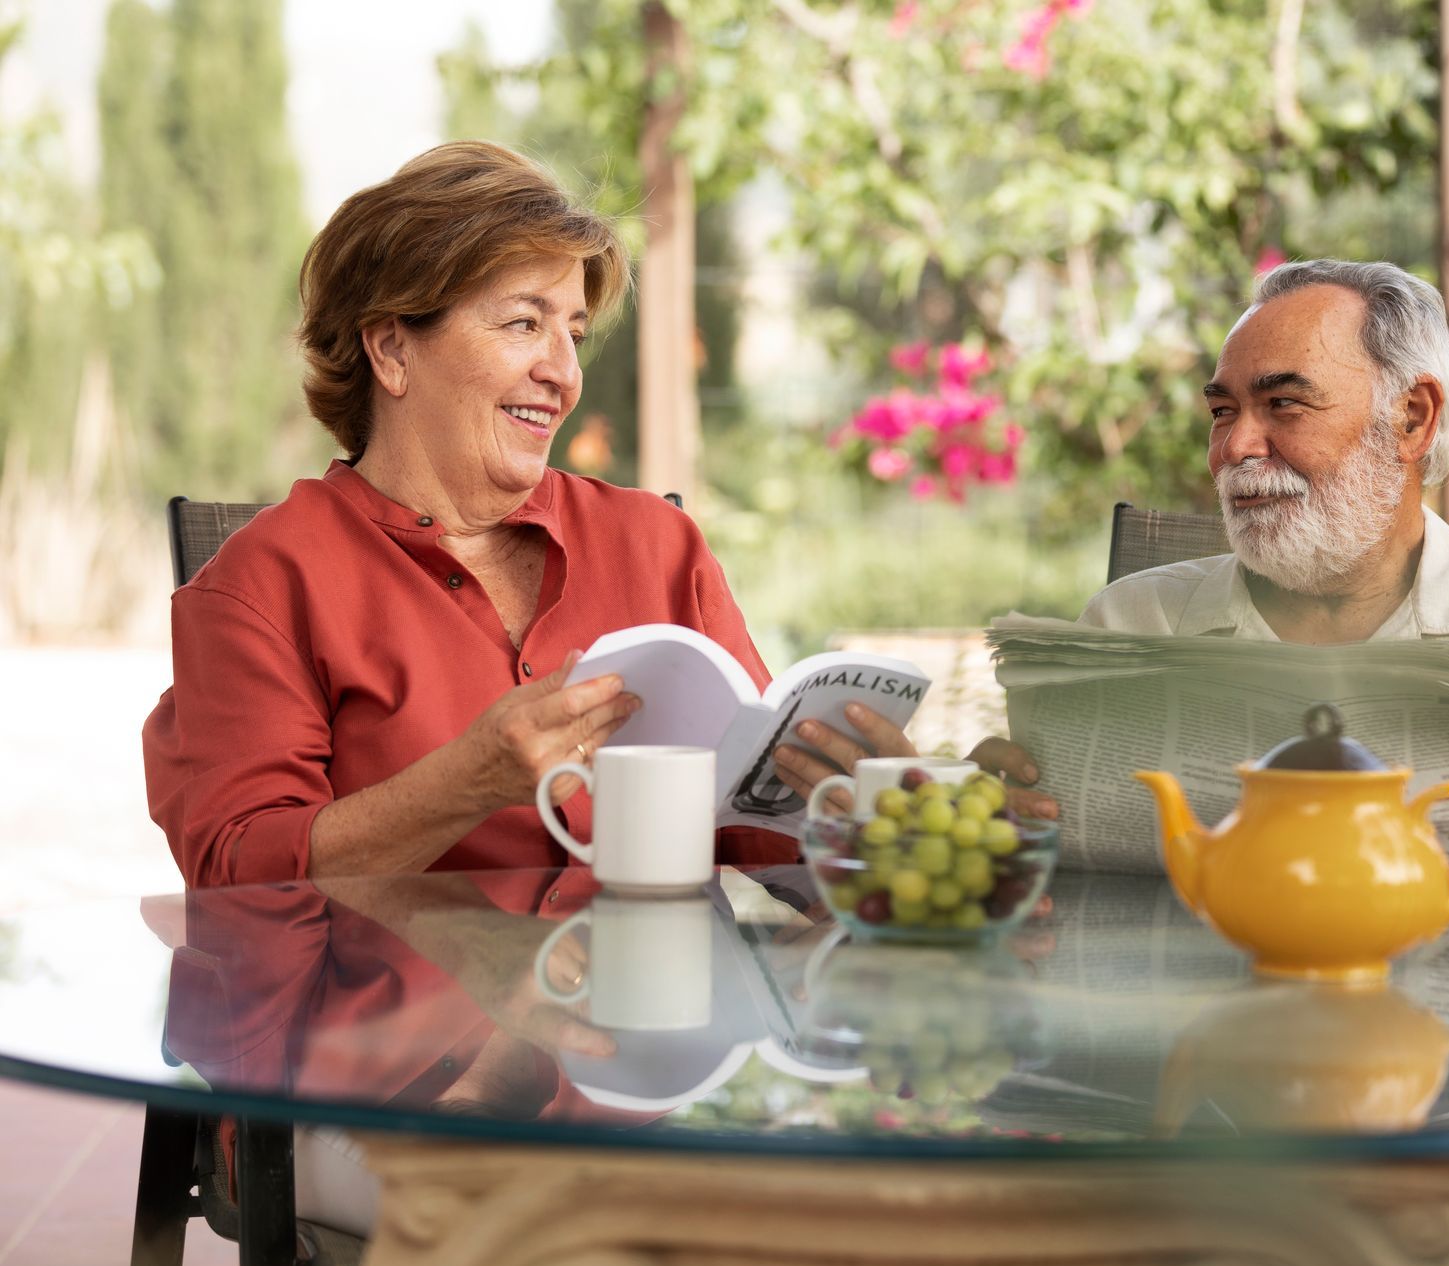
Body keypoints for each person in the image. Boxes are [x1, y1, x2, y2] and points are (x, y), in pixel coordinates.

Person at [971, 258, 1449, 1266]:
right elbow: (1048, 887)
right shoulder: (1136, 622)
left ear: (1414, 416)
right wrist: (1012, 835)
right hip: (1168, 1082)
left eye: (1281, 404)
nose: (1236, 448)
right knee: (961, 1201)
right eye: (1223, 411)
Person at [143, 140, 914, 894]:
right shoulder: (259, 587)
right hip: (399, 1020)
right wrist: (462, 784)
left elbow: (763, 840)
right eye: (522, 324)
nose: (565, 373)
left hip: (654, 1009)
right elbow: (237, 882)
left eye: (573, 333)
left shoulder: (657, 546)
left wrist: (865, 821)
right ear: (391, 349)